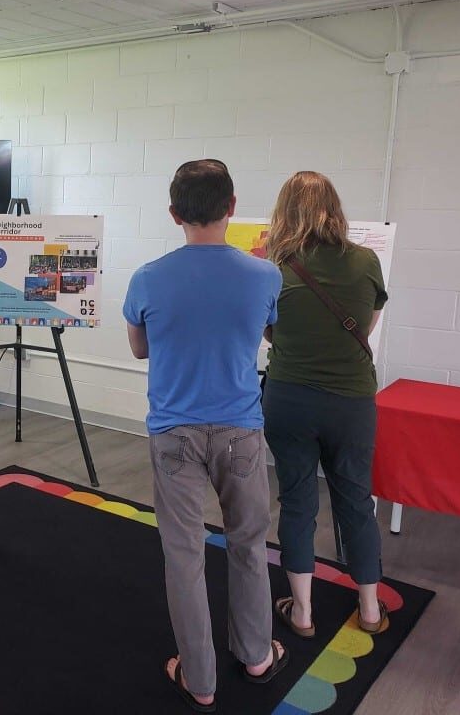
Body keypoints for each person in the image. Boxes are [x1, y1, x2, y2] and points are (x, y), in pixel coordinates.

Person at [123, 159, 288, 712]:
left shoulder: (147, 277)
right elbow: (269, 335)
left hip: (174, 433)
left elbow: (139, 349)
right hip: (242, 429)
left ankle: (200, 679)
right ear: (233, 208)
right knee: (247, 544)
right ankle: (257, 653)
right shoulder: (266, 275)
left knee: (184, 554)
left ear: (174, 214)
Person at [262, 171, 390, 640]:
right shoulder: (365, 261)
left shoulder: (274, 269)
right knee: (356, 500)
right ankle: (371, 609)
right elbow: (368, 325)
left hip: (289, 396)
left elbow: (270, 333)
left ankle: (301, 612)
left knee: (296, 501)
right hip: (352, 400)